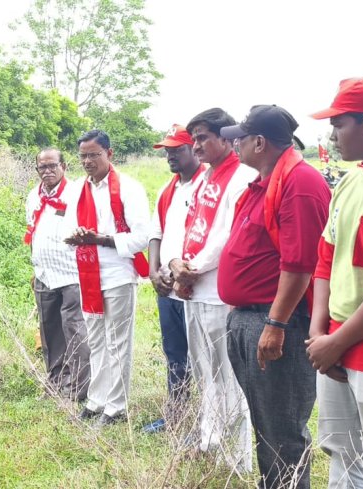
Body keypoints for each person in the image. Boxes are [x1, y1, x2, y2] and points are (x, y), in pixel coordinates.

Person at [218, 105, 330, 488]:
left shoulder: (299, 182)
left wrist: (276, 324)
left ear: (260, 142)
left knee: (282, 430)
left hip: (276, 320)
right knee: (265, 424)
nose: (235, 144)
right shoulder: (264, 183)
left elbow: (301, 263)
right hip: (251, 318)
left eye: (241, 138)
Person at [307, 77, 363, 488]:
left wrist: (336, 342)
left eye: (339, 124)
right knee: (342, 452)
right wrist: (318, 332)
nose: (331, 135)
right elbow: (325, 261)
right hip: (334, 341)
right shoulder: (347, 181)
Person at [167, 108, 256, 472]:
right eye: (195, 138)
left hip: (219, 291)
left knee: (229, 375)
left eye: (204, 137)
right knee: (205, 373)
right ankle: (210, 440)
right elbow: (188, 225)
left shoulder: (242, 176)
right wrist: (176, 264)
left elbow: (228, 233)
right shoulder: (205, 178)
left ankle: (237, 460)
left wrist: (194, 268)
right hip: (192, 288)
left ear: (226, 138)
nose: (197, 144)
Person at [65, 129, 149, 426]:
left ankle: (116, 406)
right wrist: (76, 236)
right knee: (96, 340)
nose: (88, 161)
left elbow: (141, 236)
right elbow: (70, 225)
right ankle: (96, 400)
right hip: (88, 273)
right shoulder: (76, 188)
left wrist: (101, 240)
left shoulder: (129, 187)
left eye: (94, 155)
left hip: (117, 273)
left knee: (117, 342)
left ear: (109, 154)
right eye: (83, 156)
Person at [143, 124, 205, 434]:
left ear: (194, 148)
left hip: (196, 286)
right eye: (167, 151)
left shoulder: (207, 183)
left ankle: (207, 422)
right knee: (175, 351)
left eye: (177, 150)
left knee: (203, 355)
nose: (170, 156)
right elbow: (156, 233)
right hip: (167, 286)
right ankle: (177, 414)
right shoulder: (168, 189)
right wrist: (154, 272)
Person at [24, 149, 90, 401]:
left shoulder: (77, 193)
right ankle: (55, 383)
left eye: (53, 166)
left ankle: (78, 388)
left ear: (63, 166)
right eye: (43, 167)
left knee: (75, 331)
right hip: (44, 274)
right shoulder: (33, 195)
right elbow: (32, 231)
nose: (48, 171)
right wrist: (35, 268)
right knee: (49, 331)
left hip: (72, 274)